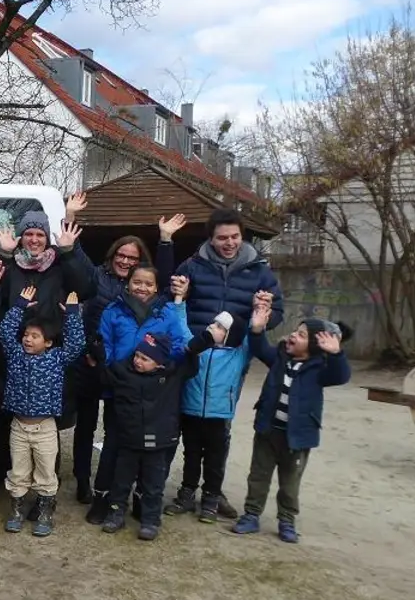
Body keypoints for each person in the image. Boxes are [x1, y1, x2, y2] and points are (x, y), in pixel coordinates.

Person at [157, 208, 285, 523]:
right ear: (211, 239)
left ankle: (213, 491)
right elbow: (168, 295)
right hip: (195, 354)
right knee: (190, 424)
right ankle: (188, 490)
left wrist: (264, 313)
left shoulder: (260, 271)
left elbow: (278, 314)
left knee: (219, 427)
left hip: (233, 359)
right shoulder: (193, 265)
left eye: (234, 237)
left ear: (243, 237)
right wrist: (179, 294)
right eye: (221, 238)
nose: (228, 243)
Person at [0, 195, 96, 512]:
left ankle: (44, 495)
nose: (35, 239)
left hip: (47, 362)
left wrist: (69, 250)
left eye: (40, 234)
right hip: (6, 358)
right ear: (21, 236)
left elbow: (87, 286)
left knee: (42, 433)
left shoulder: (60, 267)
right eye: (29, 234)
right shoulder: (8, 265)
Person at [231, 293, 351, 543]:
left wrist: (337, 353)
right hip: (268, 430)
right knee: (258, 475)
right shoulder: (279, 357)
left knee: (290, 481)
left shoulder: (320, 370)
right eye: (296, 331)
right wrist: (256, 329)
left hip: (298, 436)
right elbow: (260, 348)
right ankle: (251, 515)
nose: (294, 335)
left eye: (302, 335)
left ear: (316, 347)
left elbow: (341, 376)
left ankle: (287, 520)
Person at [84, 269, 196, 525]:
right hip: (120, 386)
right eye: (137, 282)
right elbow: (106, 344)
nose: (142, 288)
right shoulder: (114, 310)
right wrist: (114, 371)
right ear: (128, 284)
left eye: (148, 283)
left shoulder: (167, 312)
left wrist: (164, 369)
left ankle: (141, 500)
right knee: (114, 444)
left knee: (150, 449)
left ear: (157, 287)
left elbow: (177, 346)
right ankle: (103, 499)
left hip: (155, 391)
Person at [99, 316, 225, 541]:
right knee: (120, 482)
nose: (138, 361)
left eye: (145, 358)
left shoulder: (172, 375)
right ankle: (115, 514)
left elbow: (190, 357)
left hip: (159, 443)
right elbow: (101, 373)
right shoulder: (122, 372)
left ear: (160, 363)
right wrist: (96, 352)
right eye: (137, 355)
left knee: (153, 486)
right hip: (128, 441)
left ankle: (150, 520)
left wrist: (205, 339)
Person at [0, 276, 86, 538]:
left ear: (48, 342)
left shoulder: (56, 358)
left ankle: (45, 509)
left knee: (46, 471)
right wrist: (20, 305)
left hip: (45, 427)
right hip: (18, 426)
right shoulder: (15, 355)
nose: (27, 339)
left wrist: (72, 313)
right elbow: (3, 331)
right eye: (26, 334)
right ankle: (16, 508)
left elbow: (77, 343)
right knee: (18, 470)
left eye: (35, 336)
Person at [73, 226, 159, 504]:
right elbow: (76, 260)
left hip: (123, 369)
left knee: (115, 427)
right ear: (112, 255)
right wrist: (89, 350)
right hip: (89, 360)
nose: (125, 261)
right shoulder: (96, 276)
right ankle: (82, 480)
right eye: (121, 255)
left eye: (132, 258)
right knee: (85, 426)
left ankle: (109, 483)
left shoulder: (141, 287)